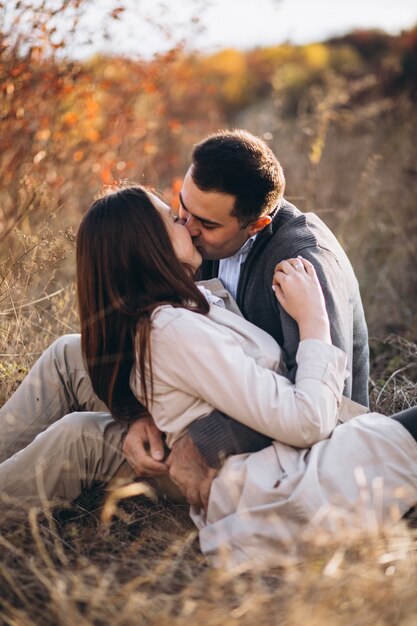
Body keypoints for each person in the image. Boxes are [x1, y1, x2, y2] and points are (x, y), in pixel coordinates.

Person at [0, 186, 415, 570]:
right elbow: (306, 421)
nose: (187, 222)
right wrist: (314, 322)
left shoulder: (174, 308)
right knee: (71, 395)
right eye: (173, 218)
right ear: (151, 246)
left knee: (75, 407)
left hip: (261, 443)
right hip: (274, 468)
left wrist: (157, 415)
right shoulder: (173, 327)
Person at [125, 129, 369, 485]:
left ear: (256, 225)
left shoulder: (303, 264)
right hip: (218, 400)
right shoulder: (199, 241)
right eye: (183, 207)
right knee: (68, 356)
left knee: (76, 438)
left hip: (297, 455)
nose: (187, 228)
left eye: (206, 223)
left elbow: (330, 403)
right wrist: (138, 413)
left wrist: (206, 442)